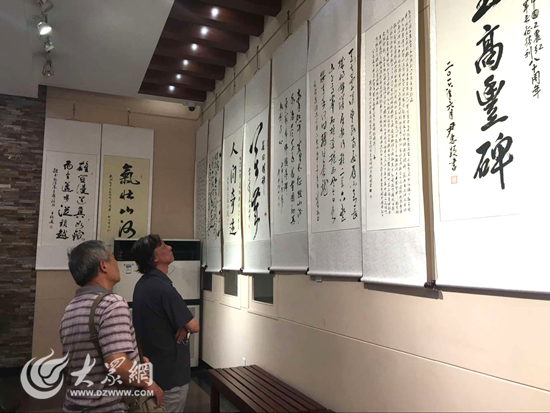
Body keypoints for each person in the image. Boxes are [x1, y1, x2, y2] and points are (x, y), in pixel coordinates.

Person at [60, 240, 163, 412]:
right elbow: (117, 364)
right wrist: (148, 382)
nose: (117, 264)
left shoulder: (71, 308)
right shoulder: (111, 303)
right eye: (113, 258)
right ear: (103, 266)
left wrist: (134, 360)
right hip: (109, 406)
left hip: (76, 405)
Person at [132, 235, 200, 413]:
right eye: (163, 246)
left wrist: (183, 326)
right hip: (171, 375)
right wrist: (185, 327)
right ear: (154, 258)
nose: (169, 247)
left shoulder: (142, 284)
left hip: (154, 370)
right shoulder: (163, 288)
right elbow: (194, 326)